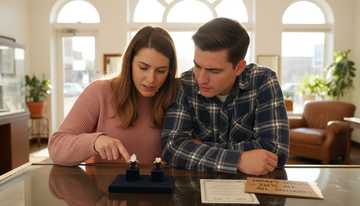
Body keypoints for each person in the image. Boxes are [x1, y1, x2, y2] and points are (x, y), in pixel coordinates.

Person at [161, 17, 289, 175]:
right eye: (197, 65)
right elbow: (172, 148)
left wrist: (200, 146)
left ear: (239, 67)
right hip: (196, 191)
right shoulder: (184, 84)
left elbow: (276, 151)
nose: (201, 78)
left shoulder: (263, 80)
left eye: (214, 71)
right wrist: (239, 160)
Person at [49, 26, 178, 166]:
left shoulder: (176, 97)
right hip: (104, 188)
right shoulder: (100, 92)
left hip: (159, 186)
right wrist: (94, 141)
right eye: (143, 68)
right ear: (129, 63)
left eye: (161, 71)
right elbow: (56, 147)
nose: (151, 79)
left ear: (170, 71)